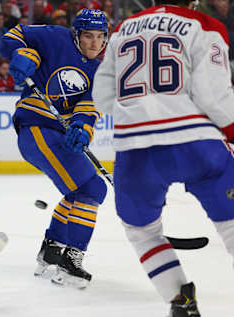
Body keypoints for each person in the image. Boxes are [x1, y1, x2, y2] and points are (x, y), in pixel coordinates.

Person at [92, 0, 234, 315]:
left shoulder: (120, 31)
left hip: (134, 152)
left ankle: (180, 299)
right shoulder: (203, 24)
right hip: (196, 144)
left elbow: (101, 98)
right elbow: (214, 95)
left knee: (142, 232)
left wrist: (139, 115)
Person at [0, 9, 108, 288]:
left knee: (81, 190)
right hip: (36, 129)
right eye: (88, 36)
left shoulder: (99, 69)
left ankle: (52, 250)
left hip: (57, 135)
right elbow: (12, 35)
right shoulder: (55, 37)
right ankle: (70, 262)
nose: (94, 43)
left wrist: (82, 129)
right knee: (94, 189)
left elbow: (88, 106)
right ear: (76, 35)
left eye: (100, 37)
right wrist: (23, 54)